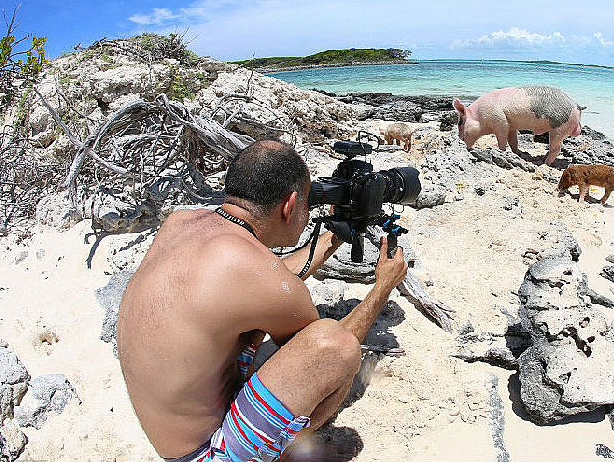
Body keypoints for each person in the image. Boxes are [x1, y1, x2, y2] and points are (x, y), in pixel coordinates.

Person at [116, 140, 408, 462]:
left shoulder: (181, 222)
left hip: (168, 433)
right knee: (338, 346)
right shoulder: (263, 278)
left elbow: (261, 285)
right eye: (307, 206)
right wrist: (383, 286)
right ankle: (283, 452)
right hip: (204, 454)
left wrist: (333, 237)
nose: (309, 213)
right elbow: (323, 351)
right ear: (289, 205)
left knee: (249, 329)